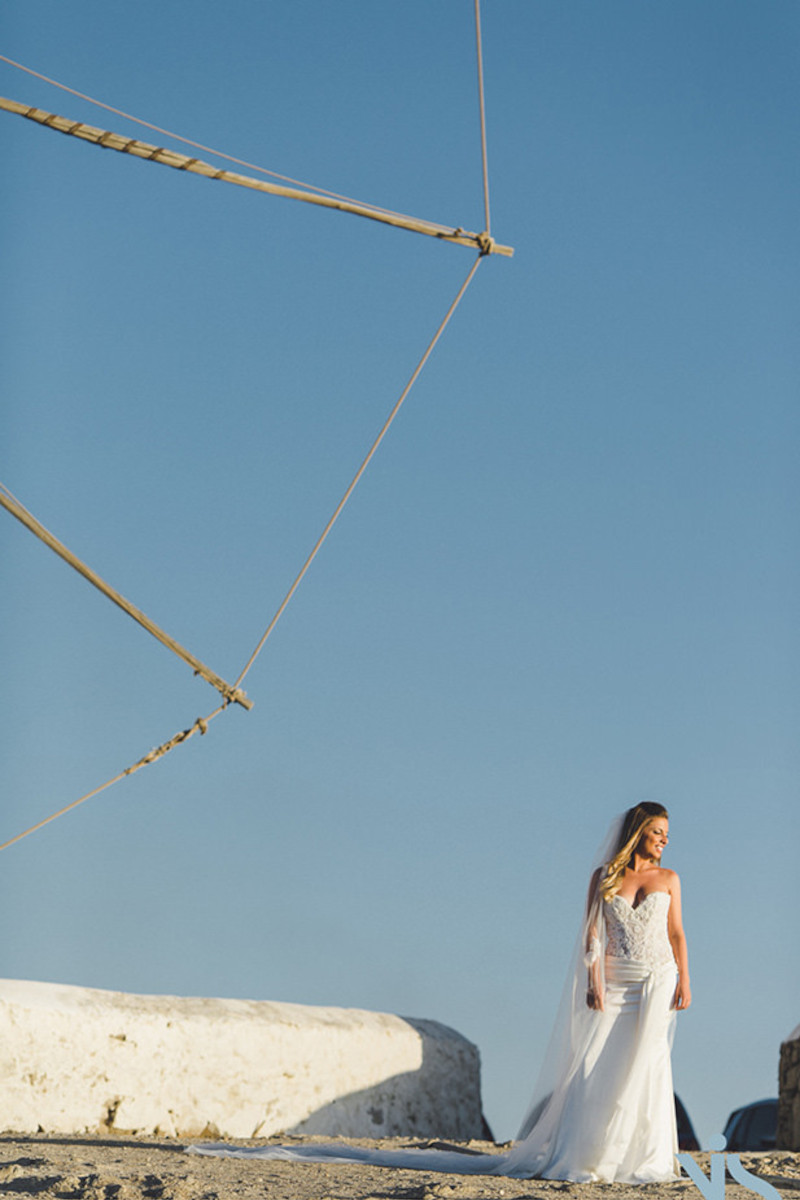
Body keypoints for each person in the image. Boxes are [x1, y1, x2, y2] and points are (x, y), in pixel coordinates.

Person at [188, 802, 691, 1183]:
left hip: (656, 979)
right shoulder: (602, 878)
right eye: (656, 833)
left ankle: (642, 1157)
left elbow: (676, 936)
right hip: (615, 979)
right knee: (597, 1063)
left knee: (644, 1064)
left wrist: (685, 979)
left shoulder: (670, 878)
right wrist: (593, 983)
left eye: (667, 835)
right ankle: (591, 1153)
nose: (663, 842)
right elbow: (591, 935)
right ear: (637, 832)